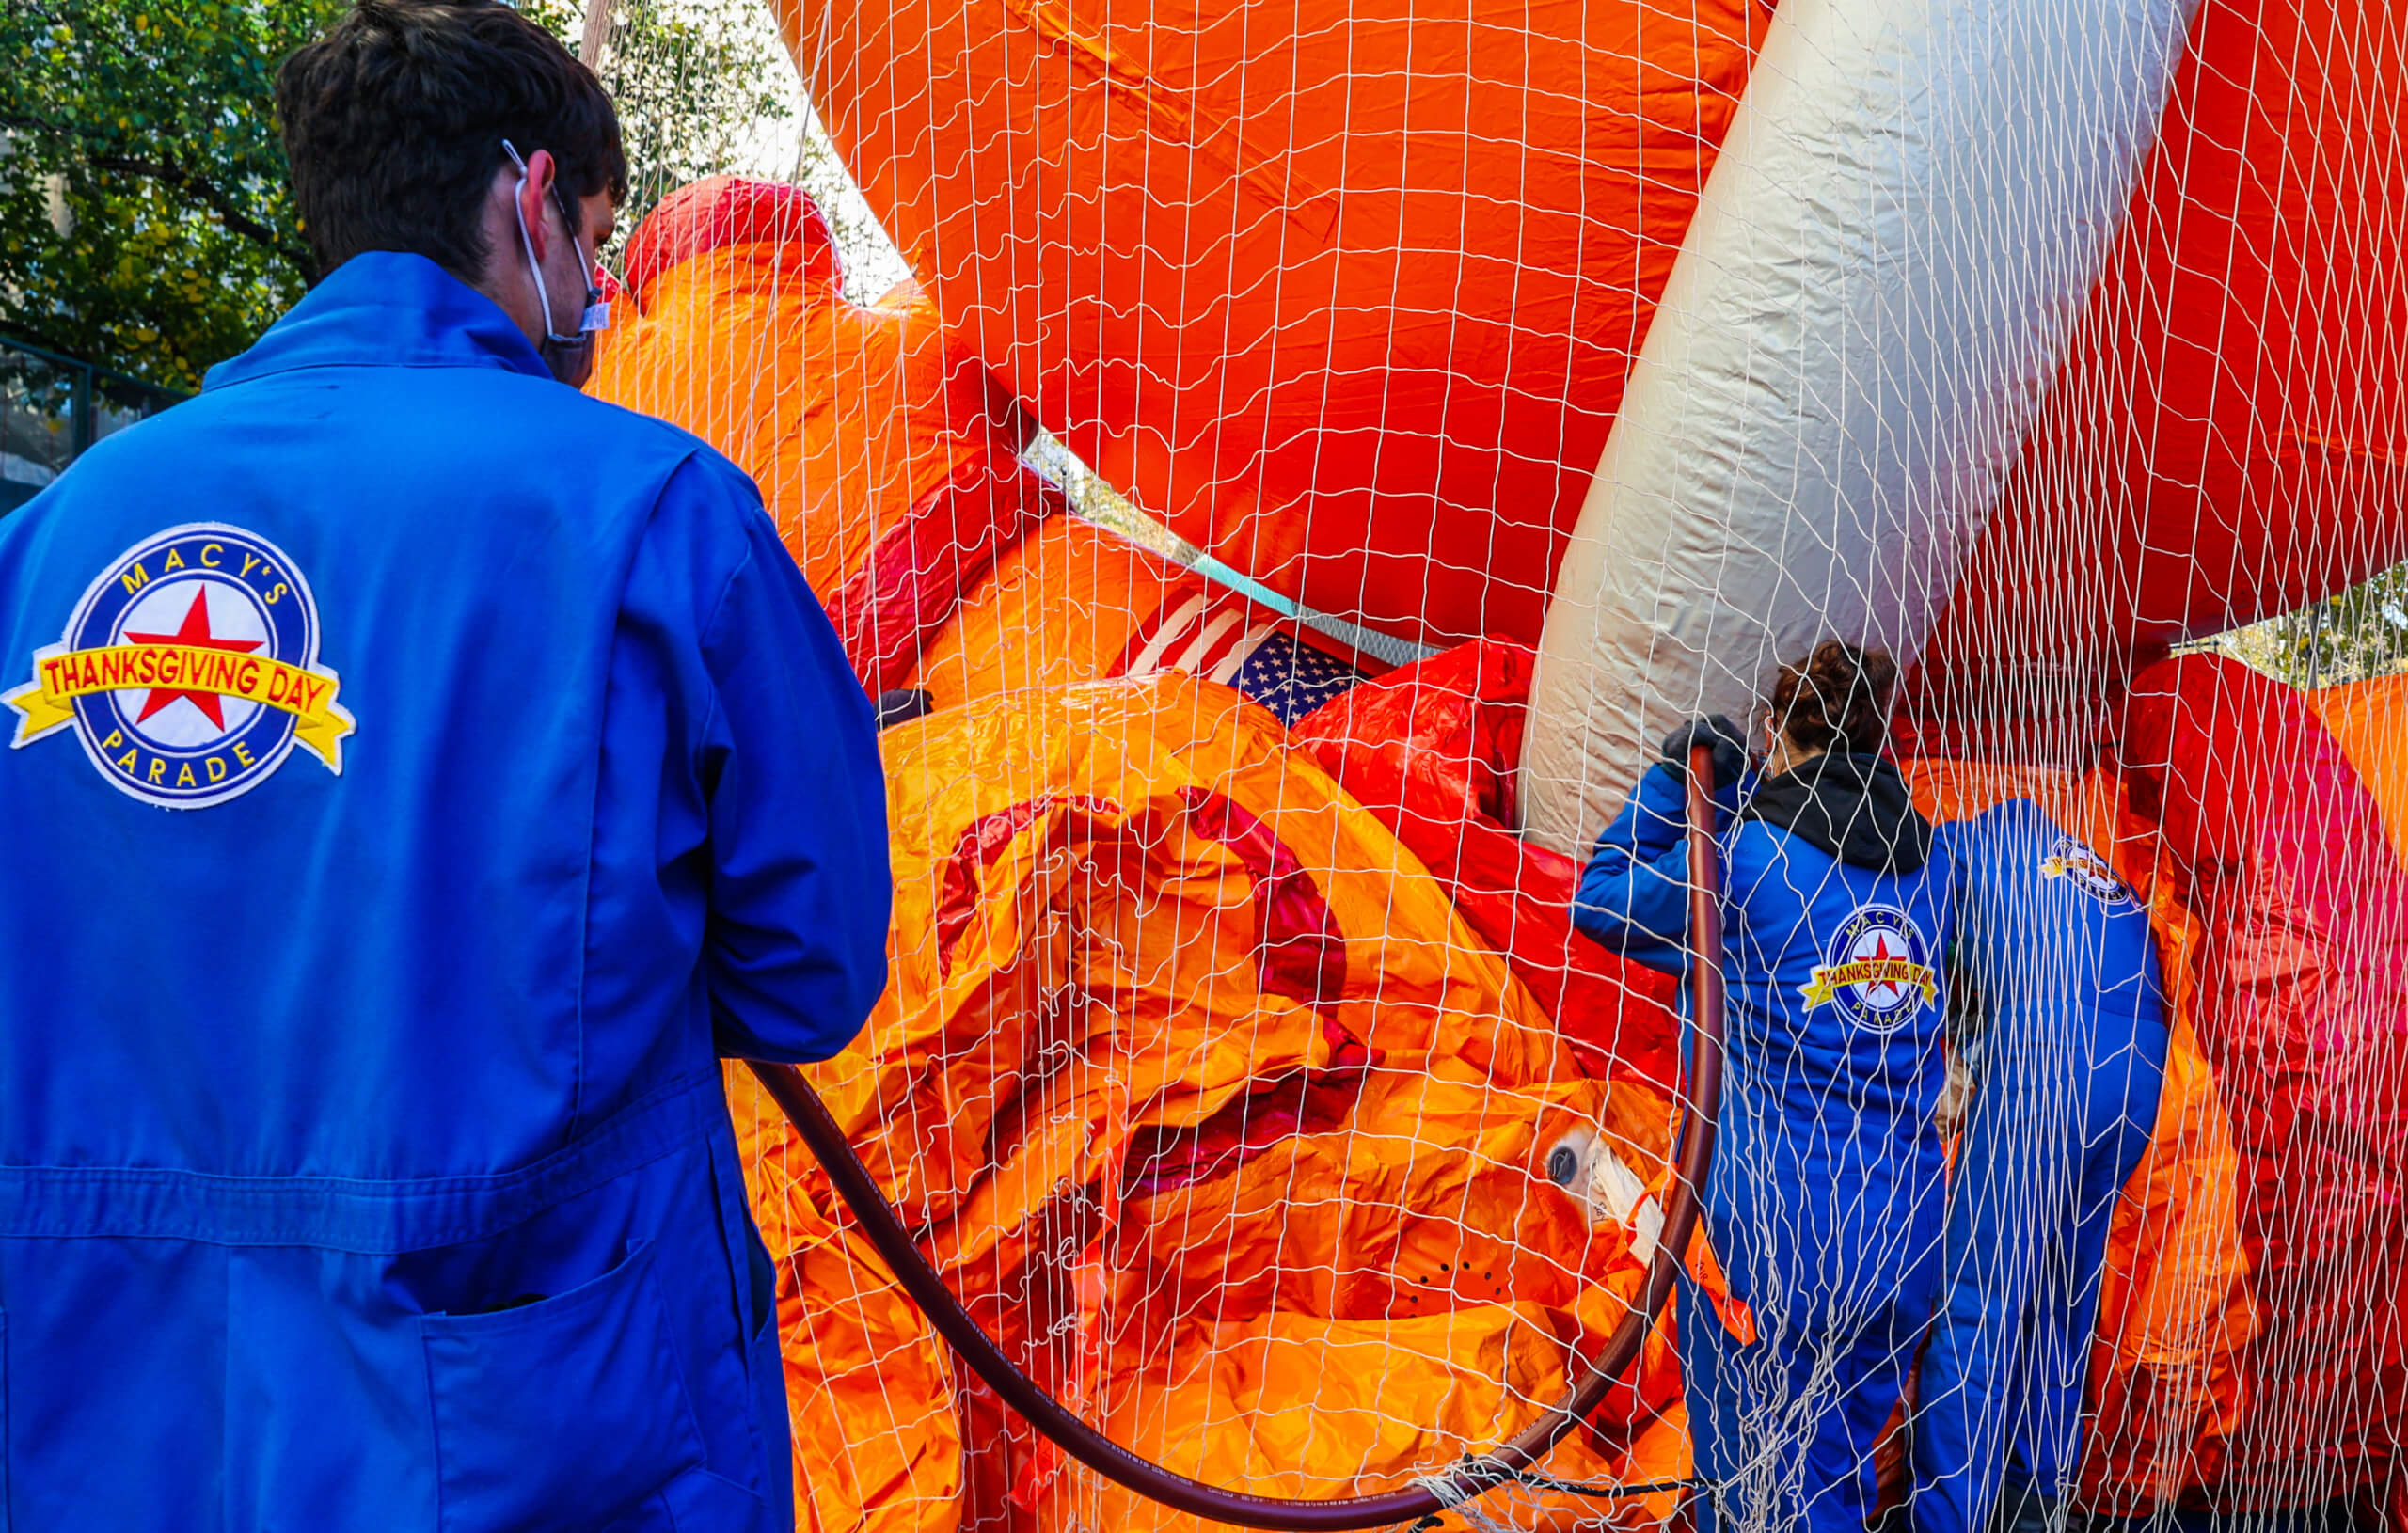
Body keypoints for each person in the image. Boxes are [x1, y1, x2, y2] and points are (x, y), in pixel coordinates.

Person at [0, 4, 889, 1528]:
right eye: (600, 241)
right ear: (530, 198)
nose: (602, 295)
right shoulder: (651, 512)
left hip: (96, 1417)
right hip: (521, 1421)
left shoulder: (51, 540)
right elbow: (812, 973)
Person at [1573, 641, 1955, 1533]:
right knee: (1828, 1489)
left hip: (1773, 1244)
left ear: (1779, 735)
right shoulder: (1939, 869)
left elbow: (1601, 898)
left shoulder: (1743, 860)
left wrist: (1677, 782)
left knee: (1757, 1504)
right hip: (1902, 1246)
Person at [1910, 800, 2167, 1533]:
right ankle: (2038, 1498)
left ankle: (1949, 1516)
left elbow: (1910, 976)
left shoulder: (1942, 854)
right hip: (2136, 1065)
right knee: (2061, 1295)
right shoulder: (2078, 860)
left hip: (2047, 1051)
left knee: (1979, 1303)